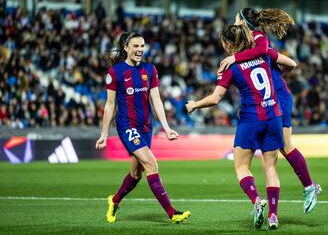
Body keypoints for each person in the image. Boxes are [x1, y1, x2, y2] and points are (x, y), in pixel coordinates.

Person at [186, 24, 297, 230]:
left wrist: (195, 104)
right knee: (270, 167)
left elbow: (216, 98)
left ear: (228, 44)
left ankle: (256, 201)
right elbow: (291, 63)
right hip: (274, 116)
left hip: (251, 119)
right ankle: (273, 216)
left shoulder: (230, 66)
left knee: (241, 166)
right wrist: (281, 76)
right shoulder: (264, 55)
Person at [218, 7, 321, 214]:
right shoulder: (249, 46)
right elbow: (290, 62)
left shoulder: (257, 39)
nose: (235, 22)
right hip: (272, 98)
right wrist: (281, 75)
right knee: (274, 153)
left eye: (237, 19)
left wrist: (235, 59)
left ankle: (310, 187)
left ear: (244, 22)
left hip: (277, 98)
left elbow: (263, 49)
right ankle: (275, 209)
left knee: (285, 145)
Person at [96, 31, 190, 224]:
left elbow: (156, 100)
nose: (140, 50)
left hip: (147, 127)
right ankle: (172, 213)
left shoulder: (150, 69)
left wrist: (166, 127)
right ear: (126, 48)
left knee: (136, 174)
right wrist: (104, 134)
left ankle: (114, 201)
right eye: (135, 46)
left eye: (142, 46)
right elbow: (110, 105)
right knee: (151, 164)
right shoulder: (115, 72)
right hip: (127, 126)